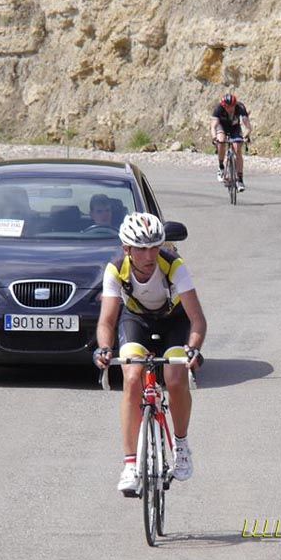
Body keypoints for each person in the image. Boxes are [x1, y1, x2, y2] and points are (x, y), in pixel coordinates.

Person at [94, 212, 207, 496]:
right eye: (141, 248)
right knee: (132, 377)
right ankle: (130, 464)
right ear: (126, 249)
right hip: (137, 321)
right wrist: (105, 349)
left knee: (175, 376)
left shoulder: (174, 266)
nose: (149, 255)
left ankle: (180, 445)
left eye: (155, 247)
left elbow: (197, 319)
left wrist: (193, 349)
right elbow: (107, 320)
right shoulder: (116, 269)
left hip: (174, 321)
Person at [211, 92, 252, 191]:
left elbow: (248, 126)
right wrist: (214, 137)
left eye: (232, 106)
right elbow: (213, 126)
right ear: (224, 106)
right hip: (222, 126)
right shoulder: (219, 109)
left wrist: (246, 136)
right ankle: (221, 167)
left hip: (234, 127)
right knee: (221, 140)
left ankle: (240, 180)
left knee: (237, 149)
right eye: (228, 107)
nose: (231, 109)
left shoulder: (240, 107)